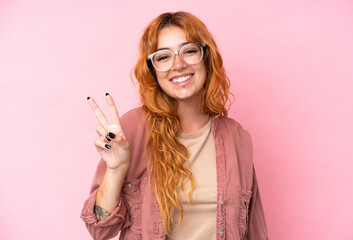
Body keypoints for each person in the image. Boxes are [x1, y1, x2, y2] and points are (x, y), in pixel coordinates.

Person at [80, 11, 270, 240]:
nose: (178, 64)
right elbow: (100, 229)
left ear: (206, 57)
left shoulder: (236, 137)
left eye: (189, 51)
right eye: (163, 57)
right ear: (153, 70)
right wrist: (115, 169)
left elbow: (255, 232)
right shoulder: (132, 130)